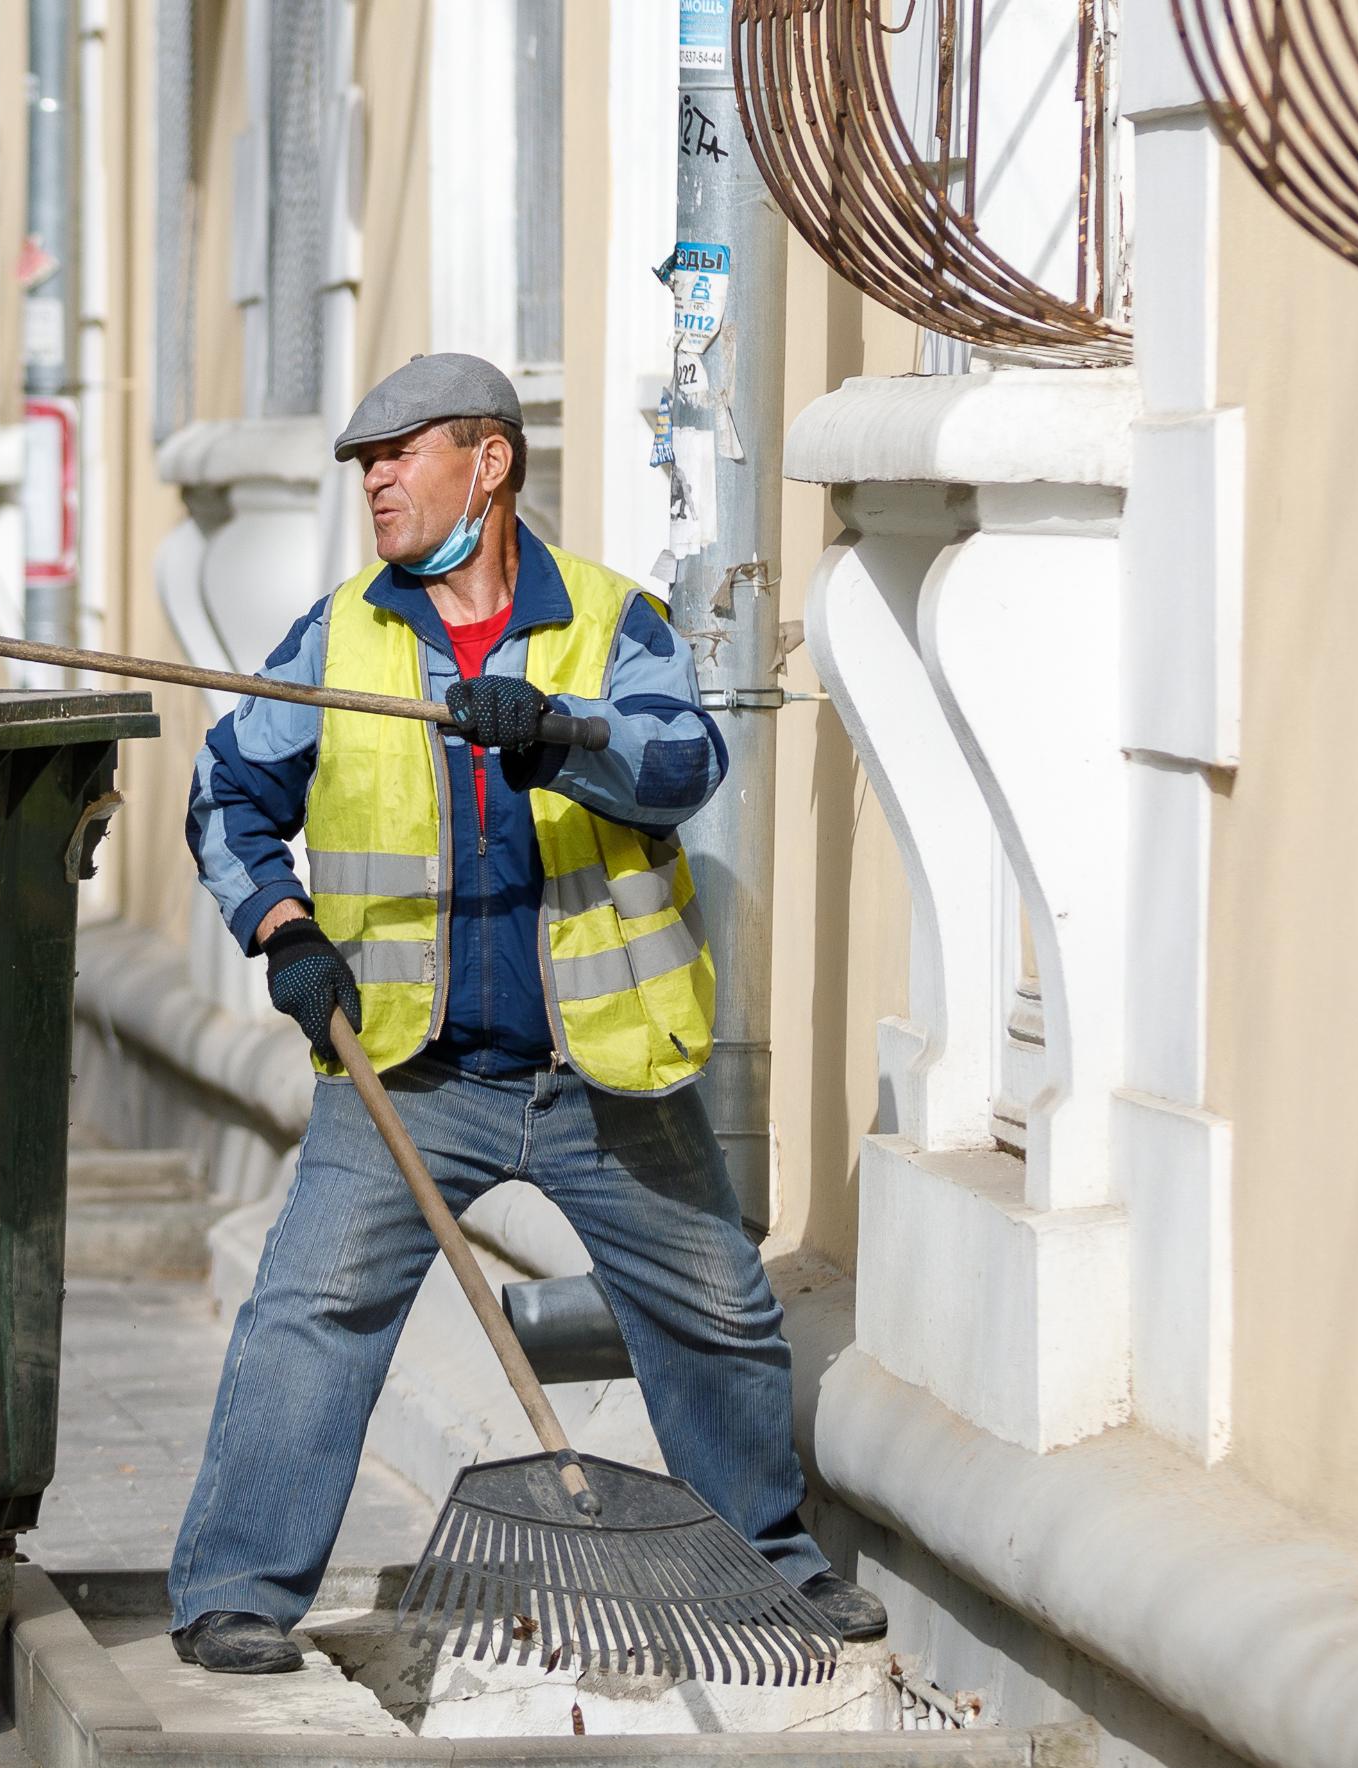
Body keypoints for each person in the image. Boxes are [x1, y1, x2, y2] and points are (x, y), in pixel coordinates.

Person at [168, 352, 888, 1675]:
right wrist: (282, 935)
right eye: (365, 462)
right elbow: (226, 799)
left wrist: (556, 733)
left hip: (598, 1076)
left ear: (488, 463)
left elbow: (683, 765)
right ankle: (235, 1596)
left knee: (718, 1313)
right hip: (407, 1071)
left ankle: (771, 1580)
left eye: (401, 453)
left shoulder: (613, 625)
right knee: (307, 1312)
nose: (375, 478)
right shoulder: (342, 637)